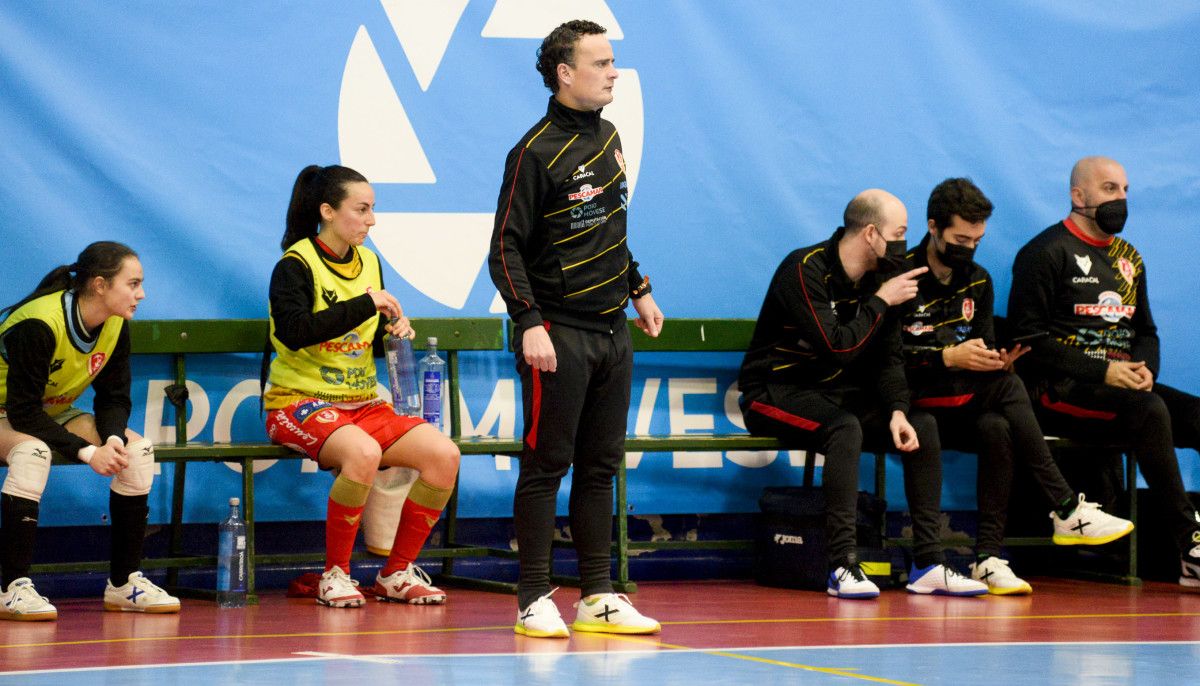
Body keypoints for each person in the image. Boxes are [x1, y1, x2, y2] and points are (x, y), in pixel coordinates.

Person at [488, 20, 664, 638]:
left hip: (613, 330)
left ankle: (597, 595)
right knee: (545, 465)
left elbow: (608, 228)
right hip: (556, 332)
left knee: (600, 467)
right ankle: (534, 595)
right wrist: (528, 321)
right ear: (566, 73)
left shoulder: (611, 136)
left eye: (613, 61)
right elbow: (504, 249)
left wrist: (638, 288)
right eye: (602, 62)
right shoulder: (533, 151)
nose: (614, 71)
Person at [739, 189, 988, 599]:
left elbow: (889, 357)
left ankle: (928, 563)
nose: (905, 246)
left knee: (921, 425)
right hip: (773, 391)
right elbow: (837, 346)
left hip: (837, 392)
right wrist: (879, 301)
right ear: (871, 234)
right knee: (844, 428)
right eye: (899, 233)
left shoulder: (882, 278)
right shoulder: (804, 270)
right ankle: (841, 565)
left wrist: (896, 410)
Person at [900, 178, 1133, 595]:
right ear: (933, 226)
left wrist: (996, 362)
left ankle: (987, 558)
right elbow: (885, 356)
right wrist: (946, 357)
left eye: (976, 239)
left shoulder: (978, 280)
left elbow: (986, 343)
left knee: (998, 422)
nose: (968, 248)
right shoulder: (901, 274)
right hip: (909, 396)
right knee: (1008, 393)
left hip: (963, 395)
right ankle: (1065, 507)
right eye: (959, 238)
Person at [265, 164, 461, 608]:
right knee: (363, 453)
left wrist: (392, 331)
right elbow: (296, 331)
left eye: (373, 209)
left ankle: (394, 573)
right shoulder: (294, 265)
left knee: (444, 455)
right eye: (362, 209)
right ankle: (335, 574)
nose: (371, 219)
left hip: (362, 404)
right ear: (328, 211)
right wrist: (364, 304)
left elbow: (362, 338)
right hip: (297, 402)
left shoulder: (369, 261)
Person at [1009, 156, 1200, 588]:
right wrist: (1104, 373)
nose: (1122, 199)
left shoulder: (1129, 257)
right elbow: (1029, 343)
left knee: (1192, 414)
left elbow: (1145, 331)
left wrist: (1145, 368)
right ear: (1079, 196)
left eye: (1126, 190)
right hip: (1059, 392)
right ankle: (1190, 544)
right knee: (1149, 410)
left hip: (1124, 391)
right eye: (1110, 189)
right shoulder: (1043, 253)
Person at [0, 241, 180, 620]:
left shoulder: (114, 324)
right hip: (12, 413)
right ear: (100, 285)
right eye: (133, 284)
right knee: (32, 453)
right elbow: (24, 412)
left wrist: (112, 438)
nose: (141, 294)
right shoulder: (39, 324)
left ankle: (124, 584)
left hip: (50, 411)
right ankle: (11, 587)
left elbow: (114, 397)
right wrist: (87, 451)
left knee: (137, 450)